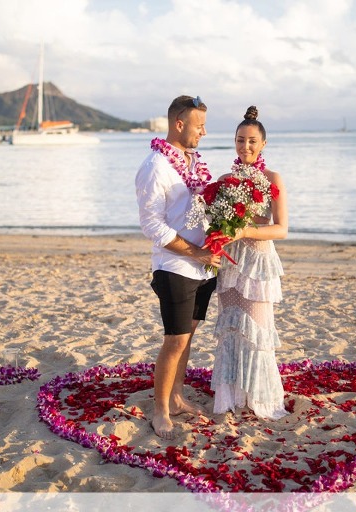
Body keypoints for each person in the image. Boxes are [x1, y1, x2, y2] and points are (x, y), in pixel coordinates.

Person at [135, 95, 221, 439]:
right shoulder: (155, 166)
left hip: (204, 268)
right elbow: (152, 226)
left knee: (188, 338)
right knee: (175, 341)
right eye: (198, 125)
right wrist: (196, 252)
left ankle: (176, 396)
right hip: (175, 267)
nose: (203, 131)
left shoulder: (193, 161)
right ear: (179, 124)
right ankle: (159, 411)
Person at [210, 106, 289, 420]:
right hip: (230, 262)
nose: (246, 147)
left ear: (263, 144)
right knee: (230, 329)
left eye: (252, 141)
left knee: (256, 331)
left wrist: (245, 229)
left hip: (257, 263)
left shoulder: (272, 178)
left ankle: (260, 397)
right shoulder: (224, 180)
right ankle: (231, 397)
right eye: (240, 140)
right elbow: (215, 225)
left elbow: (282, 228)